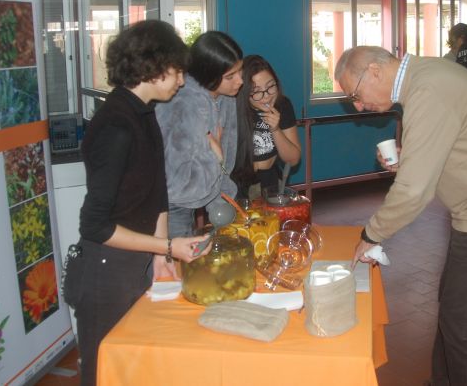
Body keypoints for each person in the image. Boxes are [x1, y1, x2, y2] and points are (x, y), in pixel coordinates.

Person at [334, 46, 467, 386]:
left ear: (375, 71)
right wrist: (411, 157)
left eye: (356, 95)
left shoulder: (428, 88)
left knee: (463, 325)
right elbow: (448, 144)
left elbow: (413, 191)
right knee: (452, 313)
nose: (359, 106)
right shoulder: (425, 79)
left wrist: (371, 234)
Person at [74, 20, 209, 386]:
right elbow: (95, 226)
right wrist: (167, 246)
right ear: (154, 67)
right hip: (107, 267)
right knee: (105, 369)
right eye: (177, 71)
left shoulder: (143, 112)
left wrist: (159, 254)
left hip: (136, 258)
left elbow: (156, 192)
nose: (182, 81)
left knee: (137, 367)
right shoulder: (116, 125)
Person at [156, 31, 244, 238]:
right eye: (230, 76)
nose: (240, 81)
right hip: (170, 204)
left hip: (205, 192)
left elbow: (225, 160)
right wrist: (215, 157)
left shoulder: (225, 96)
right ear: (208, 74)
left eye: (240, 71)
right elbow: (178, 183)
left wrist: (223, 200)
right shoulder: (183, 104)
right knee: (174, 256)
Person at [232, 55, 301, 199]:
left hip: (271, 181)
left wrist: (275, 129)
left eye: (270, 86)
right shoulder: (234, 109)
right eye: (257, 91)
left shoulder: (283, 105)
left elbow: (293, 159)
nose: (267, 96)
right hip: (239, 184)